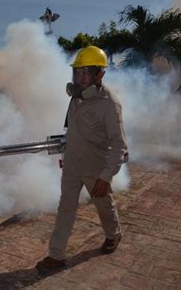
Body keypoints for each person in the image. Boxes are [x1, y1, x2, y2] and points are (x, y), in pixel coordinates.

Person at [36, 46, 129, 273]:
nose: (79, 78)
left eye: (85, 73)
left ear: (100, 75)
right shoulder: (76, 98)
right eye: (77, 72)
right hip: (72, 167)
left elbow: (119, 145)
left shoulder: (109, 103)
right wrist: (67, 156)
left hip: (95, 168)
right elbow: (73, 133)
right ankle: (56, 255)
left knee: (104, 205)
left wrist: (106, 177)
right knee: (65, 209)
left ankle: (113, 235)